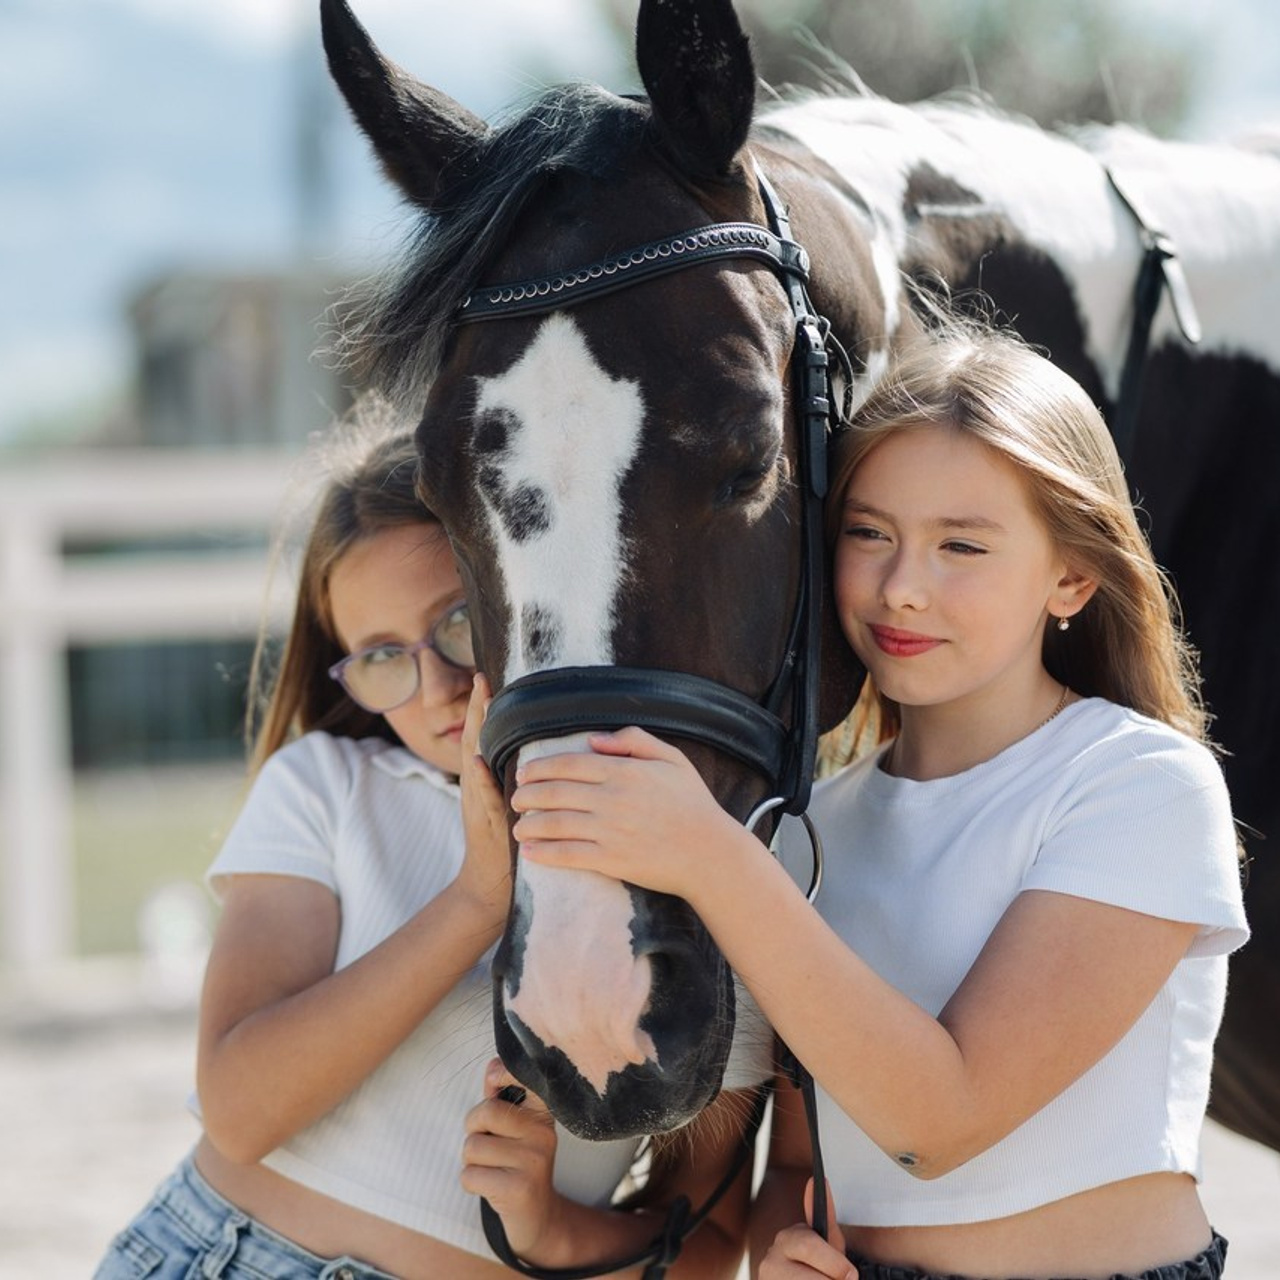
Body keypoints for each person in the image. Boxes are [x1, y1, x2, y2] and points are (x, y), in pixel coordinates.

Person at [507, 325, 1249, 1280]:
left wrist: (710, 857)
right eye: (869, 534)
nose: (902, 590)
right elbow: (809, 1164)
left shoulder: (1137, 783)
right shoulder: (811, 829)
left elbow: (938, 1122)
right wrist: (784, 1252)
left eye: (962, 546)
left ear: (1071, 575)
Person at [93, 414, 756, 1280]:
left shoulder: (706, 860)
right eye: (379, 656)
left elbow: (708, 1248)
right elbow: (241, 1112)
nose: (436, 685)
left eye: (455, 622)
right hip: (225, 1253)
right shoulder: (327, 786)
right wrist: (476, 900)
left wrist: (549, 1228)